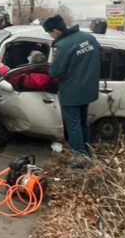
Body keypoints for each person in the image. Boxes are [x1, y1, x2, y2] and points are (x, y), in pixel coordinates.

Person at [43, 14, 100, 168]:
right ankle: (87, 150)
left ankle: (79, 156)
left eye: (49, 32)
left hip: (72, 91)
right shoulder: (89, 38)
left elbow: (55, 72)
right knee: (83, 121)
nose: (51, 35)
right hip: (89, 88)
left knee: (73, 124)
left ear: (55, 31)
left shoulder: (63, 46)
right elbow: (99, 56)